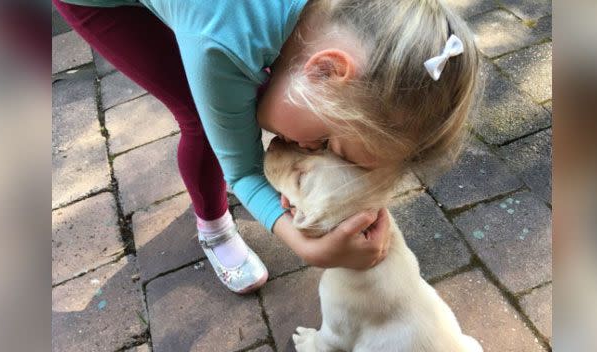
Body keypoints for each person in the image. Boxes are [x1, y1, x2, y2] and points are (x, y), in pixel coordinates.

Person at [53, 0, 480, 293]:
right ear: (326, 69)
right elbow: (241, 170)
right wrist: (305, 245)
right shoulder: (221, 47)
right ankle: (214, 227)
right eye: (328, 143)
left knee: (251, 99)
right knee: (206, 120)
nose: (310, 148)